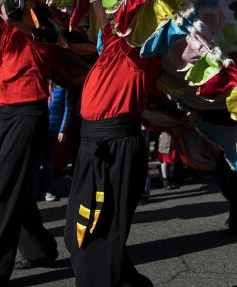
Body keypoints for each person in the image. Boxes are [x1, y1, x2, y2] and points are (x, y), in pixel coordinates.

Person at [63, 17, 161, 287]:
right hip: (90, 144)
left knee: (97, 241)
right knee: (77, 235)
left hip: (115, 146)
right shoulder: (112, 42)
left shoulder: (140, 44)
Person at [0, 14, 59, 285]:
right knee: (12, 187)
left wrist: (7, 12)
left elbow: (38, 32)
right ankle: (39, 248)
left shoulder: (45, 20)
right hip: (2, 111)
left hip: (27, 112)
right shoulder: (2, 18)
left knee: (2, 190)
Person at [40, 81, 69, 202]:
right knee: (34, 163)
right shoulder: (39, 87)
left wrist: (63, 129)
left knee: (48, 164)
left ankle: (44, 190)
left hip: (53, 131)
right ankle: (32, 190)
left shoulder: (61, 90)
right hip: (38, 130)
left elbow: (66, 110)